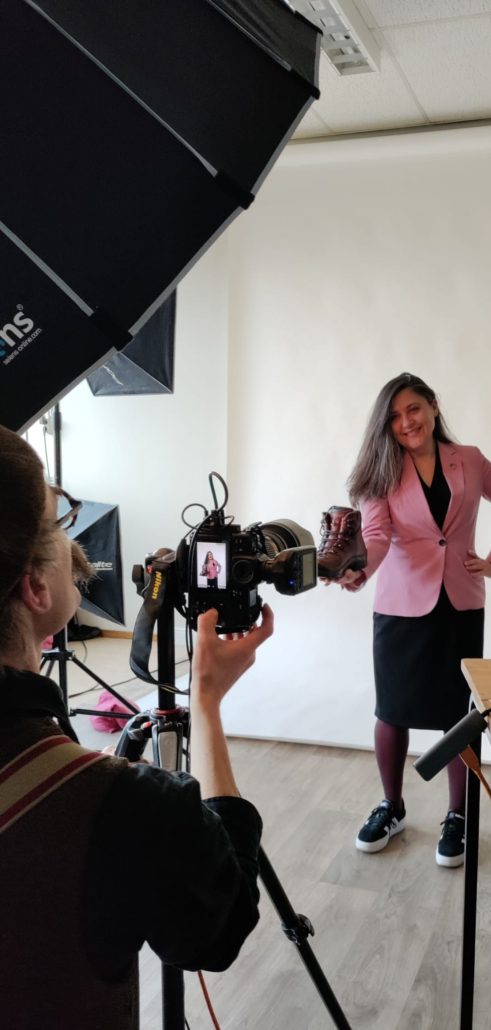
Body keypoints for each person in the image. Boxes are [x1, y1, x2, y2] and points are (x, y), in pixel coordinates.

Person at [0, 425, 274, 1029]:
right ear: (34, 585)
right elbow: (218, 928)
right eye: (56, 524)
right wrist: (205, 703)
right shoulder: (122, 802)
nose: (72, 540)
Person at [334, 372, 491, 875]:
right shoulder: (380, 471)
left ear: (433, 407)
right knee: (392, 711)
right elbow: (376, 536)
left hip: (461, 604)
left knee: (458, 716)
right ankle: (392, 806)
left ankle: (458, 816)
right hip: (401, 605)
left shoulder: (469, 459)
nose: (407, 422)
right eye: (395, 416)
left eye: (414, 409)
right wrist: (359, 570)